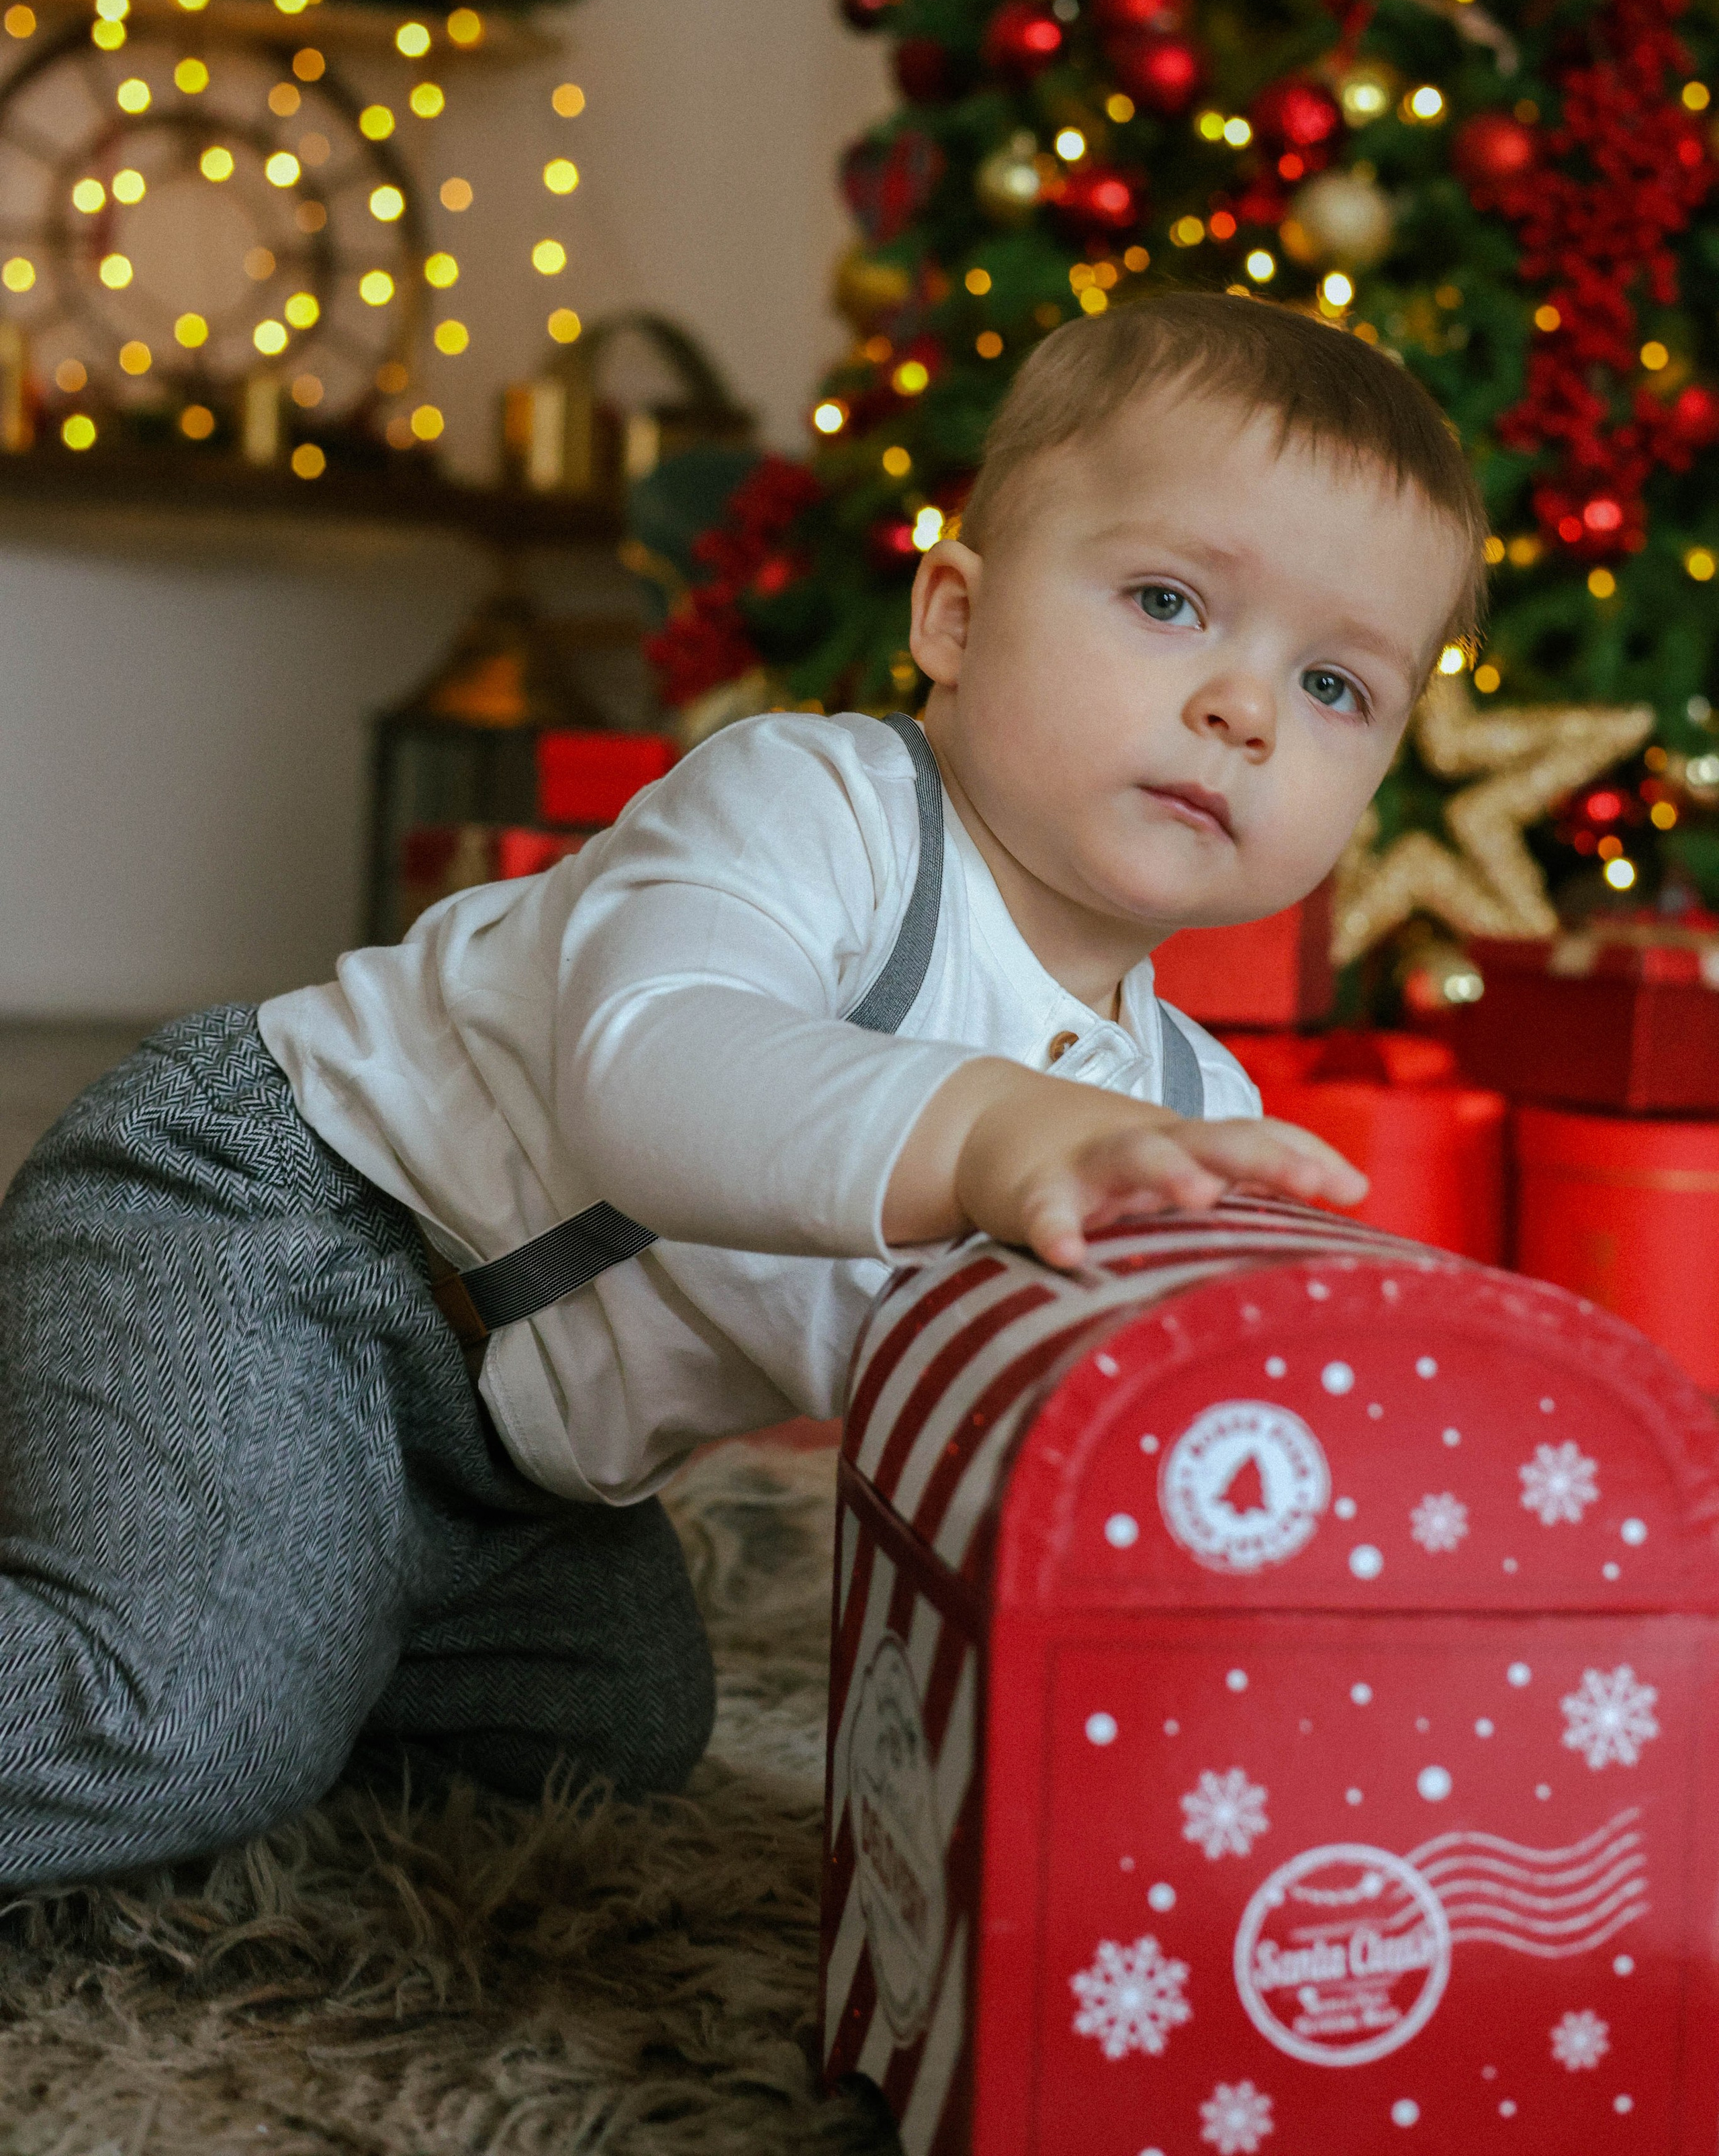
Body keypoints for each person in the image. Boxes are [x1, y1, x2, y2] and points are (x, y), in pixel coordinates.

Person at [0, 293, 1487, 1887]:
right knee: (179, 1724)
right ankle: (183, 1578)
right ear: (955, 621)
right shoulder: (814, 806)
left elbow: (1103, 1398)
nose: (1243, 709)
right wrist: (987, 1130)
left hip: (511, 1465)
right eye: (1168, 600)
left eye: (1335, 688)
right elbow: (658, 1078)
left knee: (617, 1731)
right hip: (283, 1237)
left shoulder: (1169, 1094)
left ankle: (244, 1557)